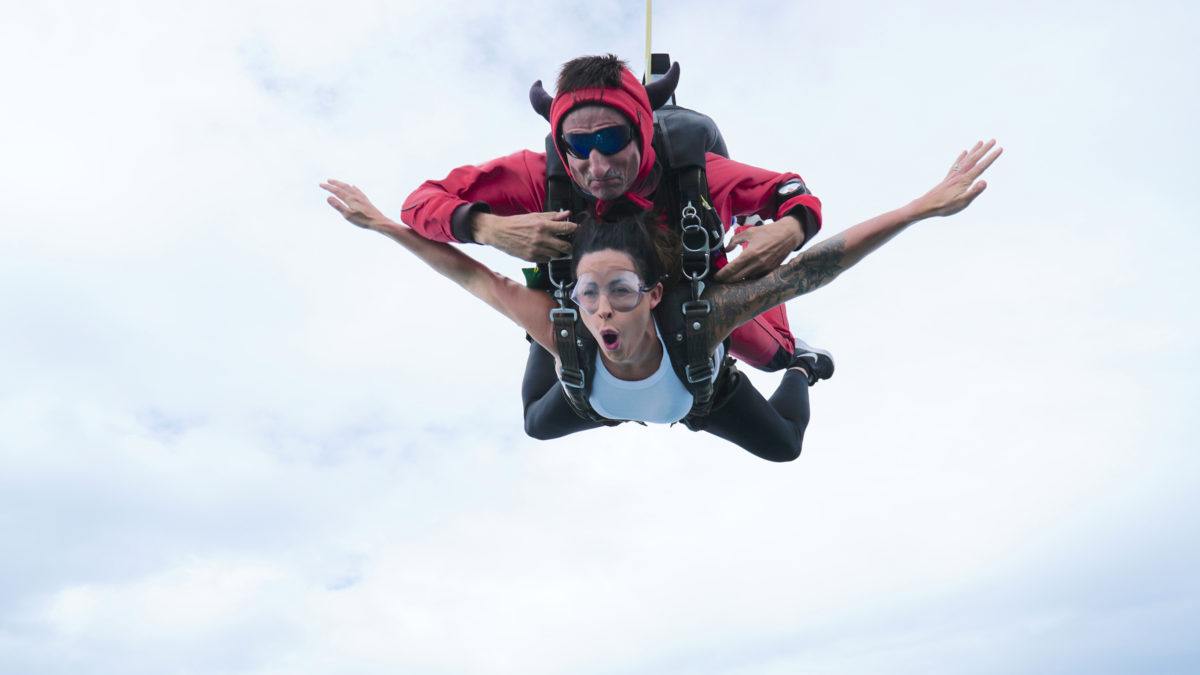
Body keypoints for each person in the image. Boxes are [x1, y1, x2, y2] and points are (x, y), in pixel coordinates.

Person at [322, 140, 1002, 461]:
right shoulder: (573, 326)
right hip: (592, 394)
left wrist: (919, 208)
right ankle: (549, 310)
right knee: (535, 412)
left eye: (619, 293)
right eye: (591, 295)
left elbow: (818, 268)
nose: (604, 310)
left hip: (696, 394)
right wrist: (387, 225)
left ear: (650, 293)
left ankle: (799, 368)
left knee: (785, 446)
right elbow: (466, 273)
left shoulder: (697, 320)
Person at [400, 54, 823, 372]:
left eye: (613, 139)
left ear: (641, 129)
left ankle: (742, 216)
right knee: (538, 418)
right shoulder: (544, 177)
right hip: (595, 303)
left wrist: (790, 229)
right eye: (580, 146)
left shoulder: (691, 172)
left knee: (775, 356)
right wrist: (486, 227)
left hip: (686, 285)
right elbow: (419, 203)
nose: (597, 166)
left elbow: (790, 190)